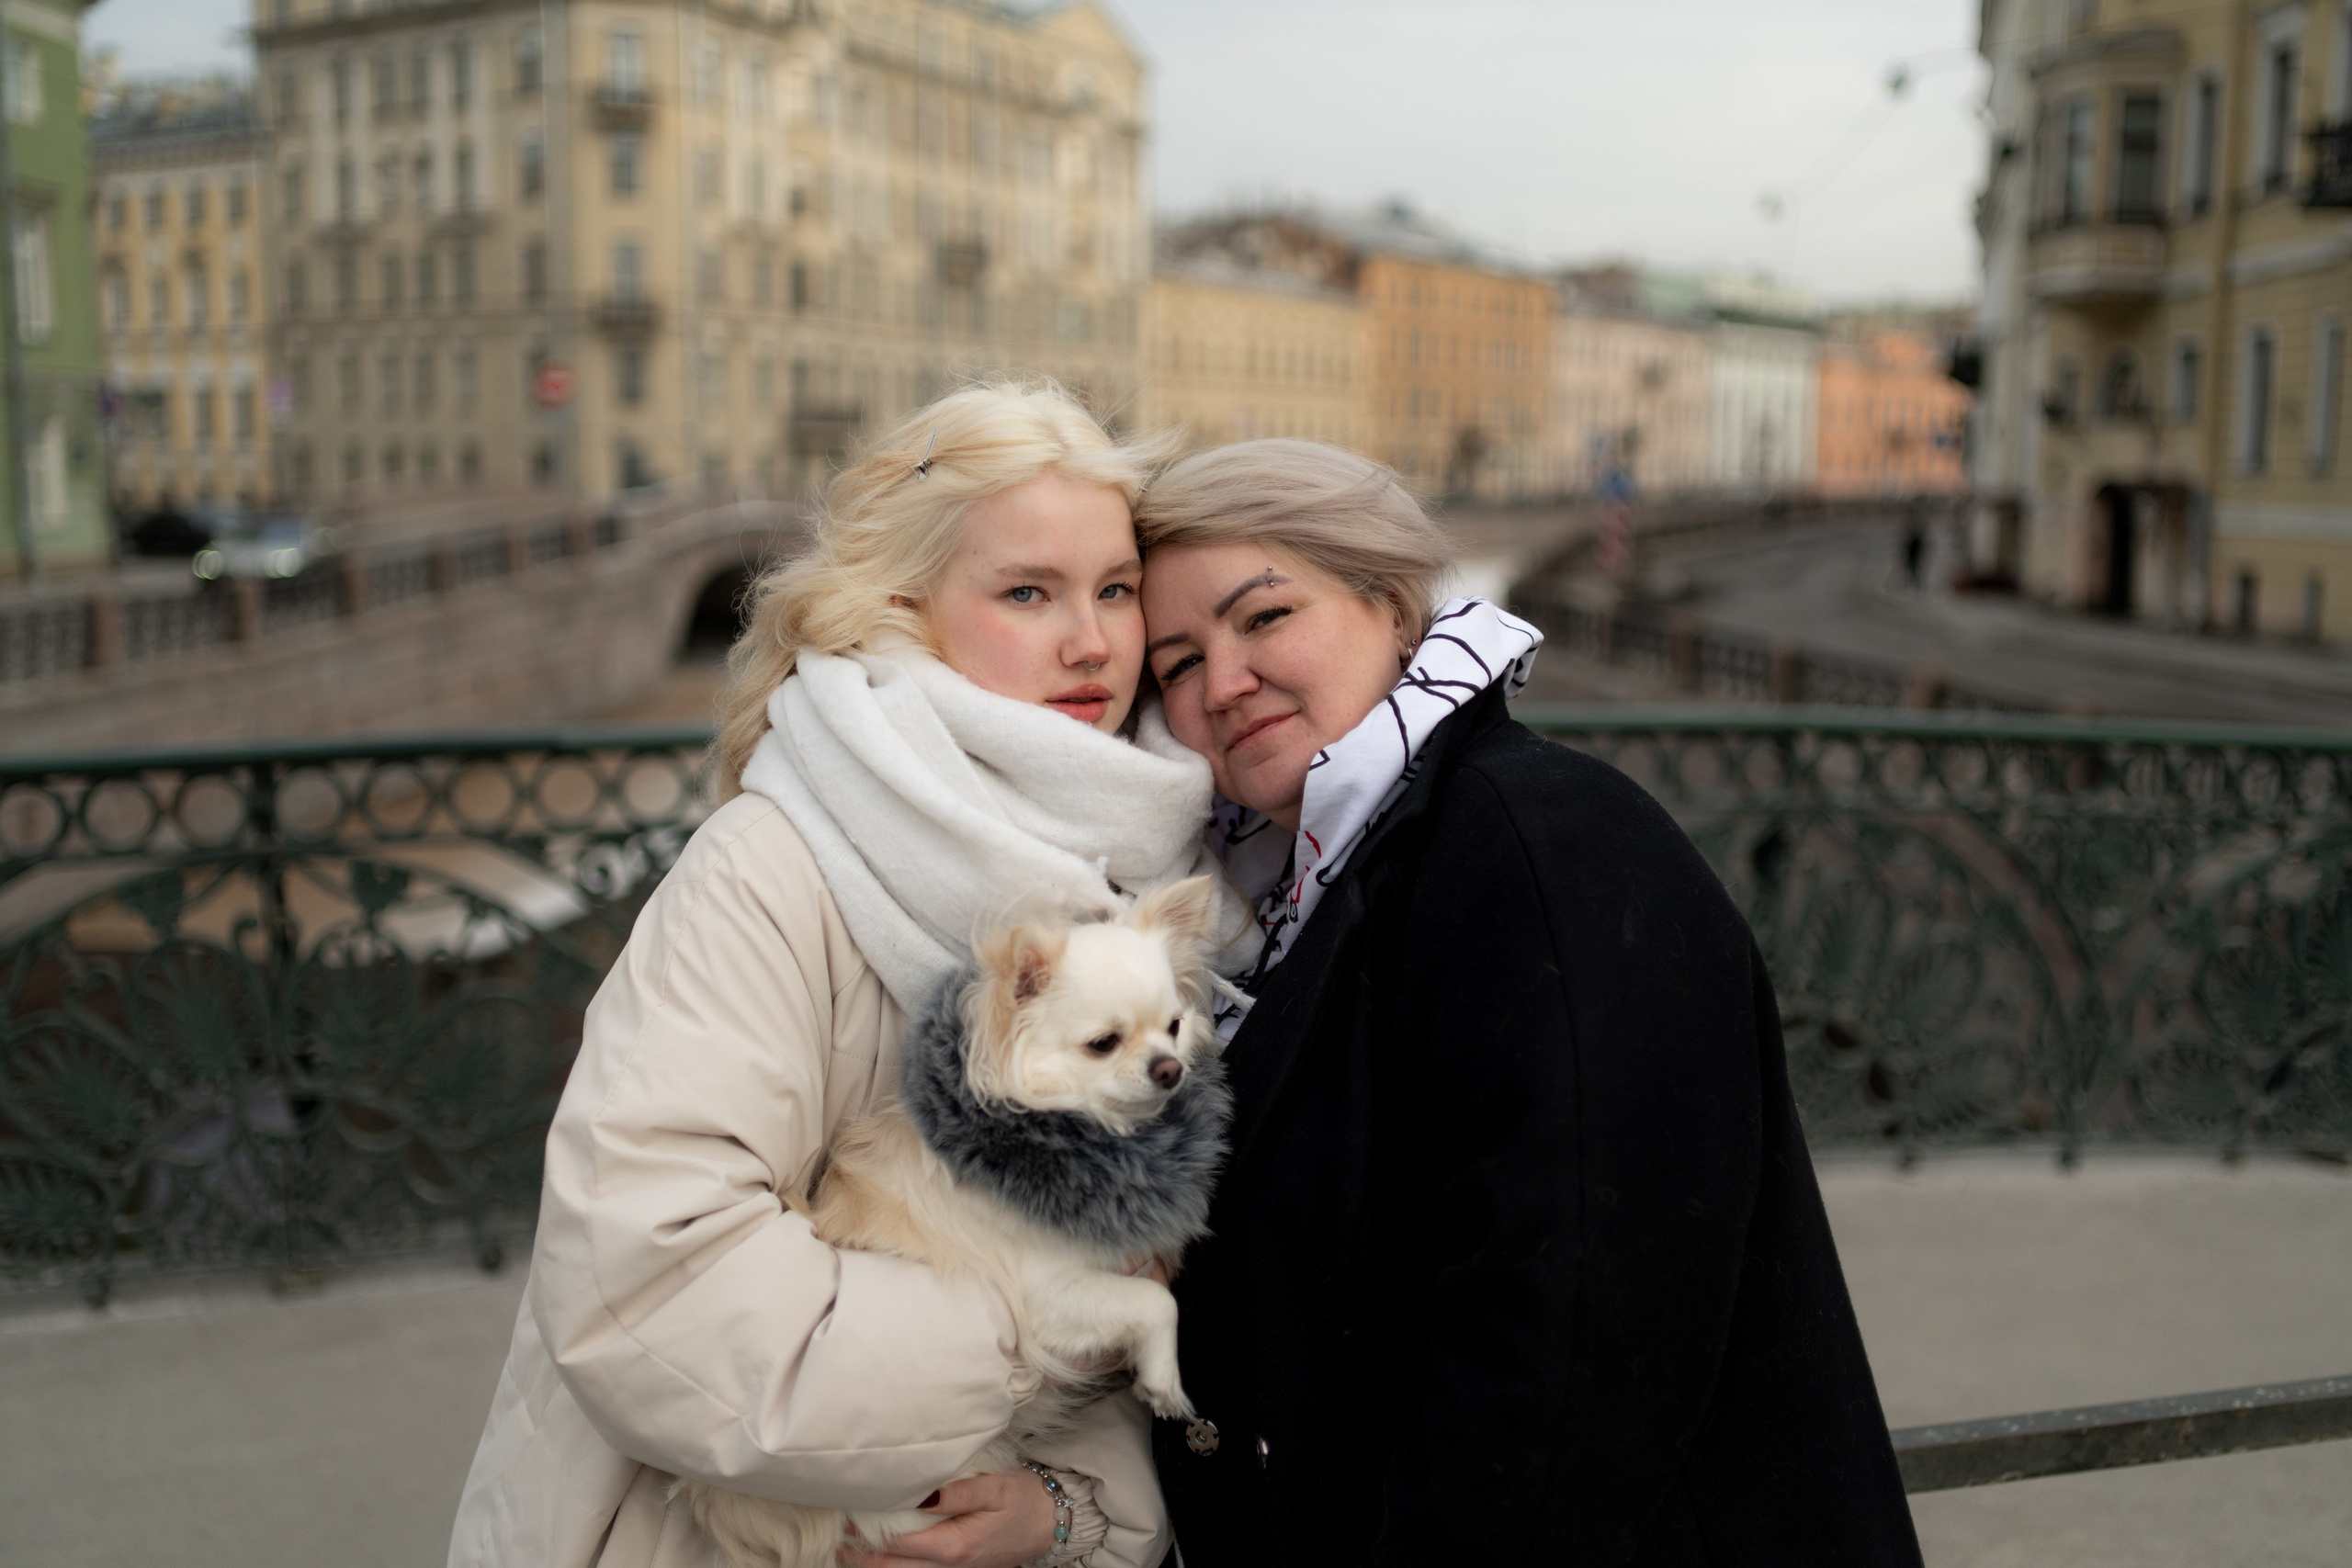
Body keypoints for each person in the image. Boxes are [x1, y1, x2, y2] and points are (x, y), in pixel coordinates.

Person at [448, 382, 1235, 1568]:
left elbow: (1160, 1310)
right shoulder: (768, 867)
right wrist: (1028, 1329)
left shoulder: (1154, 867)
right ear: (900, 609)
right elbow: (648, 1283)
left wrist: (1068, 1507)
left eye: (1116, 589)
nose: (1092, 641)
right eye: (1028, 592)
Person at [1132, 439, 1923, 1565]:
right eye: (1177, 664)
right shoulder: (1290, 899)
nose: (1221, 684)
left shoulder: (1538, 843)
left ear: (1392, 606)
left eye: (1263, 617)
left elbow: (1569, 1367)